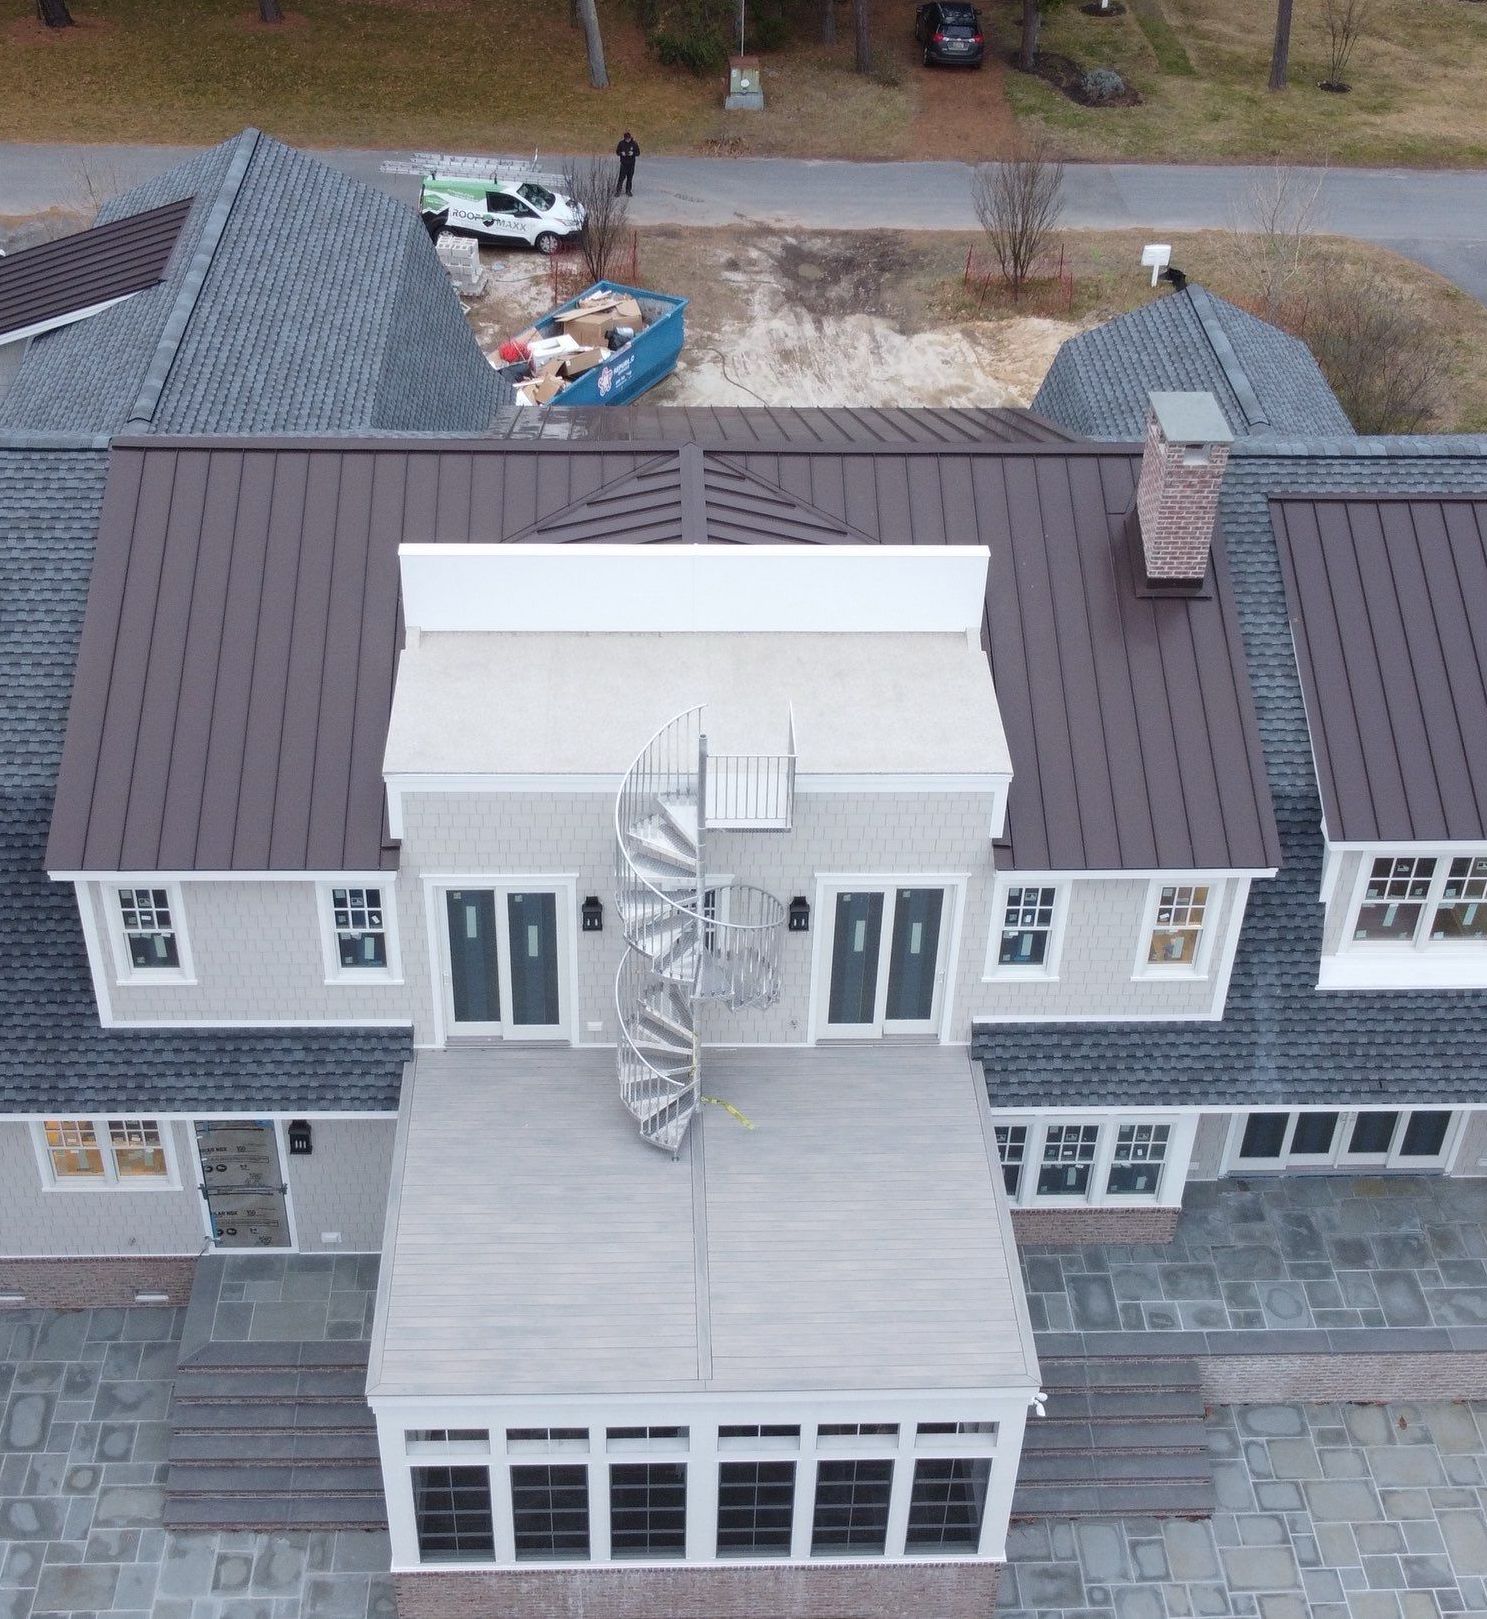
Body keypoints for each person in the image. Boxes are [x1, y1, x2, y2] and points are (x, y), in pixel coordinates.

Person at [615, 132, 640, 197]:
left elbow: (638, 153)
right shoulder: (621, 143)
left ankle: (628, 191)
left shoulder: (634, 144)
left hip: (631, 163)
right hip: (623, 163)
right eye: (626, 139)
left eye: (628, 138)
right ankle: (618, 191)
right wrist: (621, 153)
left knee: (630, 178)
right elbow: (617, 152)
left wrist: (633, 153)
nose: (627, 140)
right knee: (621, 178)